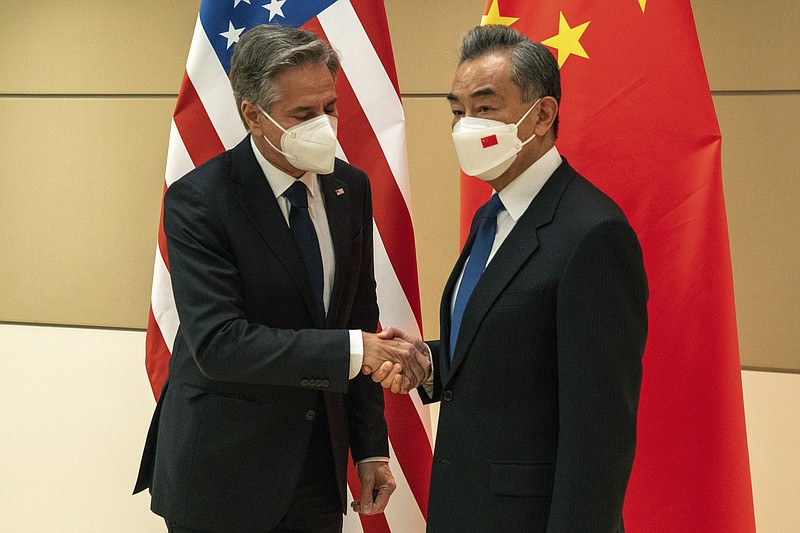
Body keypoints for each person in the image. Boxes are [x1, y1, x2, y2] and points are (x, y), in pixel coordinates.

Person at [133, 24, 429, 533]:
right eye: (303, 114)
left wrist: (371, 450)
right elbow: (220, 342)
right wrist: (357, 352)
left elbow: (357, 319)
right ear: (253, 114)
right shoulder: (200, 201)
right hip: (223, 471)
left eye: (330, 107)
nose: (325, 125)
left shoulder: (349, 188)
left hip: (316, 467)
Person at [373, 25, 648, 532]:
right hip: (463, 505)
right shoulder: (491, 216)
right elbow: (506, 346)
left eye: (484, 106)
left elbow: (599, 433)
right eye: (457, 110)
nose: (465, 126)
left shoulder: (592, 234)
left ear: (542, 115)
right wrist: (428, 362)